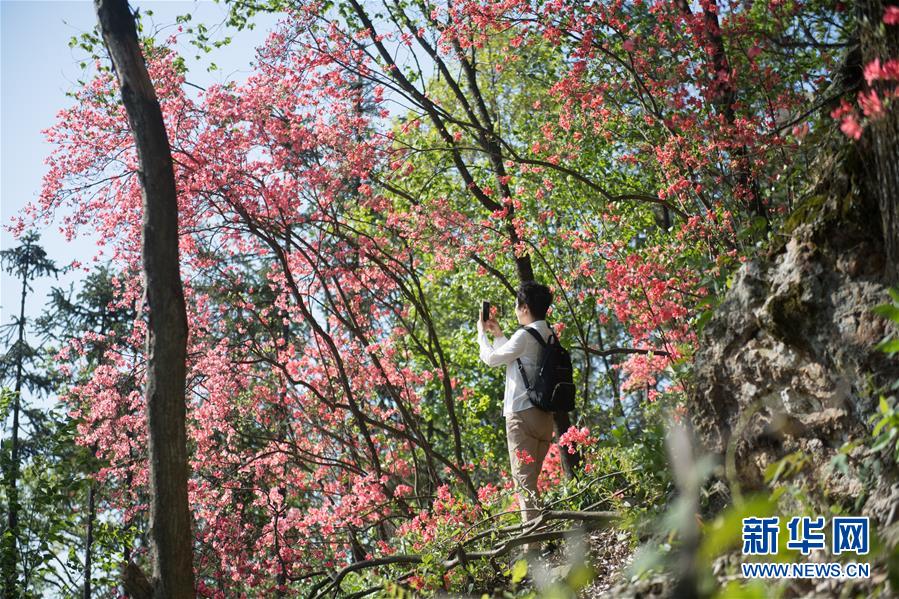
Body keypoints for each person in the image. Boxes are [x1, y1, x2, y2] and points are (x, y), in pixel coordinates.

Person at [477, 281, 556, 551]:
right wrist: (499, 334)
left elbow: (492, 359)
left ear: (524, 307)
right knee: (531, 484)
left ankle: (533, 552)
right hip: (545, 419)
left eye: (517, 306)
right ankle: (541, 541)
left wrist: (481, 333)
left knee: (524, 486)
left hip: (521, 417)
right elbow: (515, 359)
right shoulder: (549, 335)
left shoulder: (524, 336)